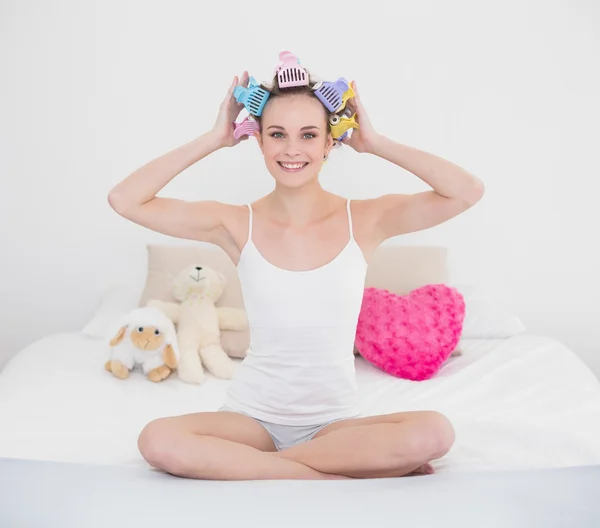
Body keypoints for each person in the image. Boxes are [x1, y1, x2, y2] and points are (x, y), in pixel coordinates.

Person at [108, 68, 484, 481]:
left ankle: (265, 468)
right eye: (277, 134)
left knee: (434, 432)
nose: (292, 149)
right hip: (250, 421)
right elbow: (125, 200)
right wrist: (215, 137)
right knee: (157, 440)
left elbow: (466, 191)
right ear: (259, 139)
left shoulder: (365, 219)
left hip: (333, 425)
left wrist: (374, 143)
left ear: (329, 142)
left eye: (308, 134)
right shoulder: (235, 223)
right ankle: (329, 475)